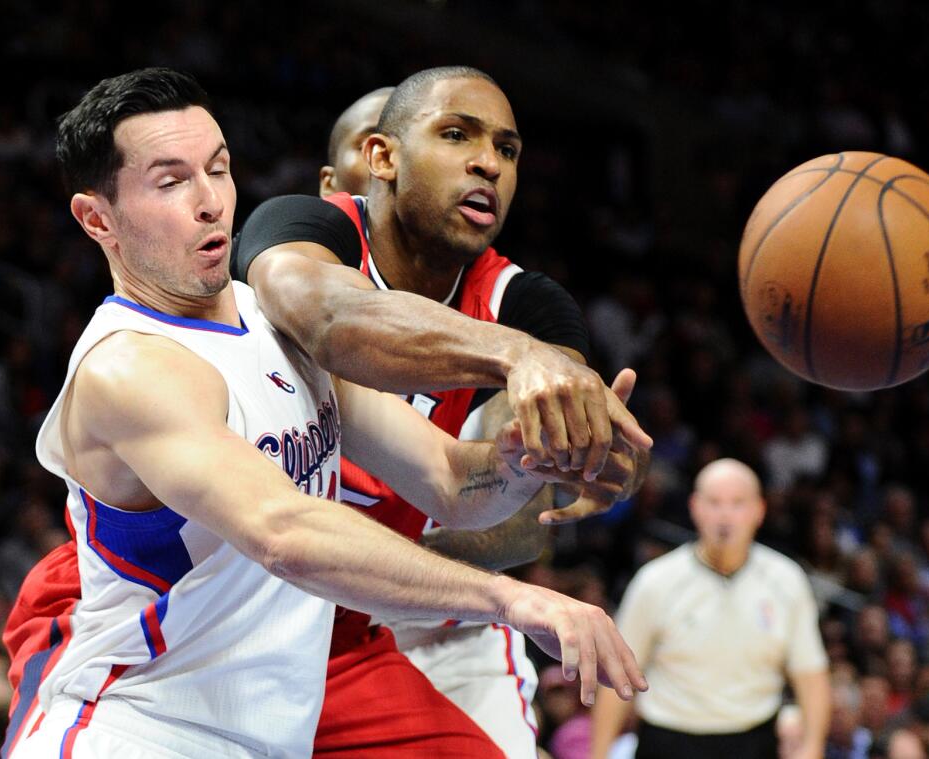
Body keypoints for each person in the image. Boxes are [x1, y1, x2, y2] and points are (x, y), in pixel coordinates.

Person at [3, 67, 646, 758]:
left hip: (272, 718)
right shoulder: (130, 365)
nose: (211, 202)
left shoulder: (268, 324)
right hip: (140, 725)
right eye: (171, 181)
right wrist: (516, 599)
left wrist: (522, 463)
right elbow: (286, 531)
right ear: (97, 218)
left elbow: (449, 477)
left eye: (217, 170)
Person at [235, 67, 647, 757]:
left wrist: (568, 457)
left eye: (508, 150)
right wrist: (514, 355)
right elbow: (331, 318)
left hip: (411, 611)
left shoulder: (529, 304)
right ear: (377, 163)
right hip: (246, 594)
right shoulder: (300, 230)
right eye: (456, 135)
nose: (488, 162)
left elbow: (496, 505)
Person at [590, 459, 831, 759]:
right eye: (714, 503)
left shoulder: (786, 579)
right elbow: (617, 676)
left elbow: (810, 674)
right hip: (669, 740)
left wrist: (813, 747)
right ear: (695, 507)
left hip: (753, 740)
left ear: (759, 510)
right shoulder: (655, 581)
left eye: (737, 503)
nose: (725, 516)